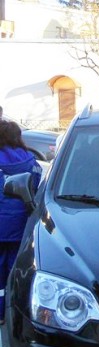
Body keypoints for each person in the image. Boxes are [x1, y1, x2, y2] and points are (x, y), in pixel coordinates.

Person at [0, 120, 42, 324]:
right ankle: (13, 312)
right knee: (15, 269)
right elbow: (35, 188)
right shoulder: (30, 160)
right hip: (20, 225)